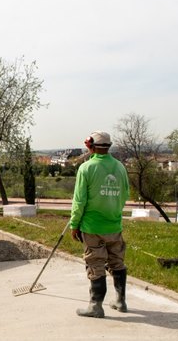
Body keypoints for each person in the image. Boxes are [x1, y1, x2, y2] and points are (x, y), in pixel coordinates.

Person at [69, 131, 130, 318]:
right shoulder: (120, 167)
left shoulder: (86, 168)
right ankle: (120, 301)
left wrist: (74, 224)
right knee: (117, 262)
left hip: (92, 227)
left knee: (95, 263)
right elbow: (125, 194)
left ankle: (96, 306)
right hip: (114, 225)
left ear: (91, 146)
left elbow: (79, 201)